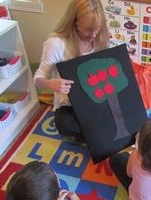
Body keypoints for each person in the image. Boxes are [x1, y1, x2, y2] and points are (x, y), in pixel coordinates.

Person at [34, 0, 109, 140]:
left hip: (96, 97)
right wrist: (51, 84)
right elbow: (38, 78)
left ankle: (93, 131)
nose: (93, 35)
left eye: (97, 29)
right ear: (75, 22)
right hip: (70, 104)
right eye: (88, 30)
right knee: (65, 124)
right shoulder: (56, 43)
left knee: (124, 109)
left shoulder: (101, 38)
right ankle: (93, 131)